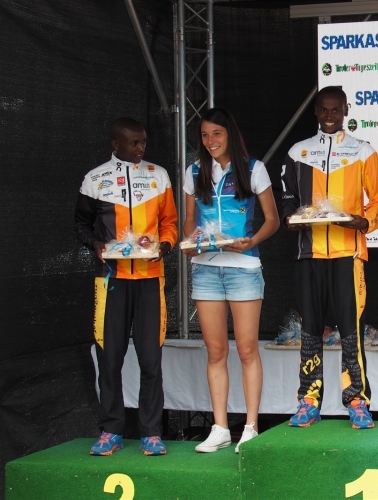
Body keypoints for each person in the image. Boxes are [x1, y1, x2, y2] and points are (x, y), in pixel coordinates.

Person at [281, 86, 378, 429]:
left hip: (348, 254)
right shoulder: (298, 151)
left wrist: (364, 222)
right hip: (309, 252)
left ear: (346, 111)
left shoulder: (363, 151)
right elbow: (288, 197)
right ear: (315, 111)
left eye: (336, 110)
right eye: (324, 110)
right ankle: (308, 400)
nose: (329, 116)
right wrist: (290, 218)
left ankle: (357, 400)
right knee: (310, 327)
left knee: (350, 330)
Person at [74, 117, 178, 456]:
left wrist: (165, 245)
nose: (141, 148)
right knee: (109, 358)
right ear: (116, 144)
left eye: (144, 142)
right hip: (111, 282)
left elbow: (170, 222)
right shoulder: (95, 179)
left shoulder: (159, 175)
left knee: (151, 359)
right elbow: (81, 223)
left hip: (150, 280)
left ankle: (151, 432)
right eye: (134, 143)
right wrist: (94, 245)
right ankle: (111, 430)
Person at [182, 107, 279, 453]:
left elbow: (272, 219)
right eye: (205, 135)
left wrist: (250, 243)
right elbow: (188, 223)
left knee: (248, 349)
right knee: (216, 351)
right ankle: (220, 427)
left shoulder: (253, 169)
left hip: (243, 268)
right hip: (205, 269)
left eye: (217, 133)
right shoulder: (194, 171)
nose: (211, 141)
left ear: (230, 134)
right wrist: (192, 241)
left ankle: (250, 427)